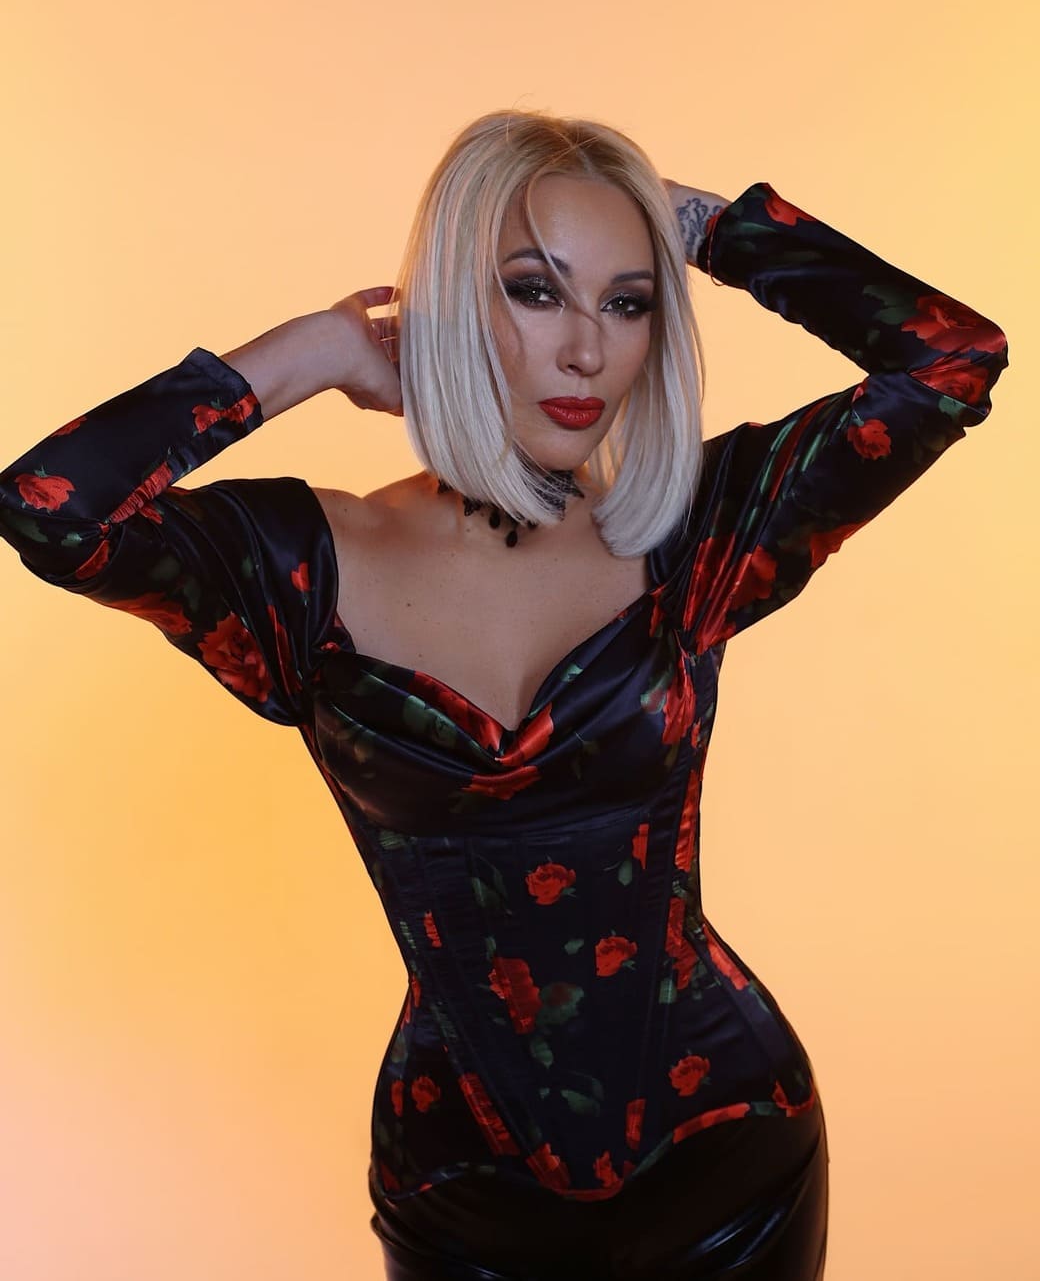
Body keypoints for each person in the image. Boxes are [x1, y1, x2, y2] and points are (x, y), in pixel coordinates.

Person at [0, 109, 1009, 1280]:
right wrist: (312, 353)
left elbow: (949, 360)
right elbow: (52, 508)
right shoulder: (297, 567)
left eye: (627, 302)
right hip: (460, 1191)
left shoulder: (700, 538)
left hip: (728, 1153)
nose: (585, 350)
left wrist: (696, 224)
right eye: (534, 291)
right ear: (445, 302)